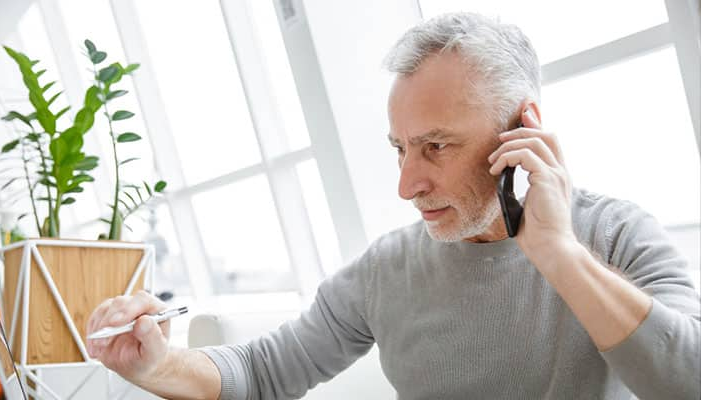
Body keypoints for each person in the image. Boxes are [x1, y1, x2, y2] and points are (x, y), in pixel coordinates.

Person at [86, 12, 701, 400]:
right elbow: (266, 373)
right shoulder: (386, 270)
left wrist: (558, 254)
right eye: (400, 150)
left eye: (436, 147)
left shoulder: (617, 236)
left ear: (522, 129)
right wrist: (157, 365)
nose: (407, 185)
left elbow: (687, 382)